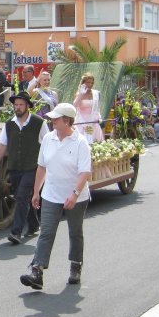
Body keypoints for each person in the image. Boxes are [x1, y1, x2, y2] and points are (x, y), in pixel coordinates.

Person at [20, 103, 92, 290]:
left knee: (75, 232)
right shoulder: (48, 139)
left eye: (56, 119)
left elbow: (85, 172)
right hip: (51, 193)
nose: (52, 121)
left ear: (67, 121)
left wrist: (75, 194)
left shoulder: (80, 142)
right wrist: (36, 192)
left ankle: (76, 265)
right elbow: (42, 166)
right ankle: (37, 271)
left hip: (75, 195)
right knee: (46, 232)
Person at [0, 92, 49, 245]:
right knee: (23, 197)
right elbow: (2, 146)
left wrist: (48, 165)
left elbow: (48, 144)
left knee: (21, 197)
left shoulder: (39, 123)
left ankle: (16, 232)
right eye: (16, 105)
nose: (18, 108)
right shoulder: (9, 124)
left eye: (21, 105)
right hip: (14, 168)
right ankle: (33, 224)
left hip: (32, 167)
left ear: (27, 106)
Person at [72, 73, 103, 143]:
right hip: (81, 122)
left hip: (93, 122)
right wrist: (81, 94)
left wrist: (99, 117)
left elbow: (97, 108)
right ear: (83, 83)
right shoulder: (79, 93)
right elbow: (74, 105)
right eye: (88, 82)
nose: (90, 84)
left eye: (92, 82)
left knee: (96, 143)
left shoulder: (96, 93)